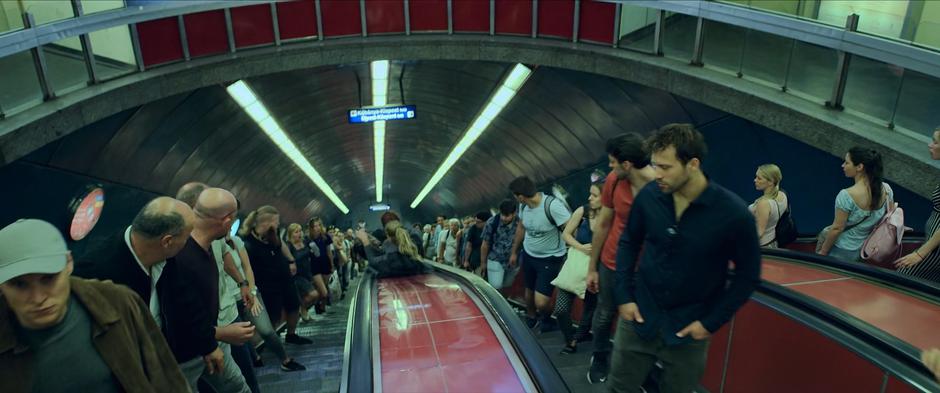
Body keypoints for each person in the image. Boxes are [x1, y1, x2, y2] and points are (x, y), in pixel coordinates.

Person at [610, 124, 761, 393]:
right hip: (640, 317)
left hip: (688, 329)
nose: (657, 174)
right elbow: (629, 242)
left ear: (692, 164)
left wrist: (710, 323)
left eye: (665, 167)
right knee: (619, 389)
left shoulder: (733, 214)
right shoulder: (649, 197)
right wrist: (624, 295)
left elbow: (747, 276)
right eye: (655, 165)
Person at [0, 219, 190, 393]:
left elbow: (165, 374)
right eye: (19, 284)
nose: (38, 297)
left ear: (69, 263)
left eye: (48, 278)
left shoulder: (117, 302)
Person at [161, 188, 252, 393]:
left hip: (207, 343)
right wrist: (215, 338)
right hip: (187, 356)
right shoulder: (180, 256)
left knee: (239, 388)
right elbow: (176, 318)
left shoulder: (205, 245)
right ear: (227, 221)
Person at [584, 133, 656, 383]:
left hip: (646, 267)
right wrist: (592, 268)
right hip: (612, 262)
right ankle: (600, 356)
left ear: (627, 164)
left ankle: (638, 367)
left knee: (641, 318)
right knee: (605, 314)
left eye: (613, 162)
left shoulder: (661, 186)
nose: (609, 167)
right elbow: (603, 224)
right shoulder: (614, 181)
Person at [74, 196, 195, 328]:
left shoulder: (168, 261)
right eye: (187, 237)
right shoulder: (93, 273)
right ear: (167, 241)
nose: (187, 243)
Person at [226, 228, 305, 372]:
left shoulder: (236, 242)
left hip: (248, 295)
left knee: (266, 331)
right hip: (228, 301)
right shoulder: (211, 246)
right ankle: (255, 357)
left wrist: (253, 293)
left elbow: (247, 268)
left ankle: (285, 360)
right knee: (241, 335)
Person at [509, 175, 572, 331]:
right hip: (529, 255)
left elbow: (571, 228)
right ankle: (532, 318)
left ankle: (547, 318)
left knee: (541, 302)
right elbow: (521, 228)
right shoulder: (523, 207)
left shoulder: (552, 206)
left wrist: (576, 251)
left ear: (521, 197)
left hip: (550, 258)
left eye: (515, 196)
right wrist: (514, 252)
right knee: (528, 292)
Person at [241, 206, 311, 345]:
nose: (278, 224)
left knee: (293, 305)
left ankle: (291, 335)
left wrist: (291, 260)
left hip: (284, 278)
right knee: (273, 315)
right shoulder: (248, 242)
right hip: (267, 283)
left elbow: (281, 245)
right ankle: (267, 343)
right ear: (267, 222)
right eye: (276, 221)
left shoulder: (273, 234)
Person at [817, 147, 894, 262]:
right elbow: (888, 217)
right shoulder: (887, 190)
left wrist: (823, 251)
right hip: (864, 250)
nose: (843, 165)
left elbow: (837, 228)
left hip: (842, 249)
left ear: (859, 167)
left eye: (847, 162)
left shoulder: (846, 195)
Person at [554, 181, 603, 355]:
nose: (590, 198)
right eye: (590, 193)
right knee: (561, 309)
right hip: (575, 265)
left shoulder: (611, 216)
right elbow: (566, 234)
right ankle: (570, 337)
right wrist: (581, 246)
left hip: (596, 269)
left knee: (590, 308)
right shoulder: (582, 211)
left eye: (595, 195)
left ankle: (575, 341)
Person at [895, 128, 940, 284]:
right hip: (932, 246)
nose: (930, 145)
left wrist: (920, 254)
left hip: (935, 250)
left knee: (902, 277)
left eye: (935, 142)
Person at [354, 221, 428, 278]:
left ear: (388, 237)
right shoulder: (412, 254)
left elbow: (373, 261)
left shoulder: (394, 259)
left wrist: (365, 240)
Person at [482, 200, 522, 291]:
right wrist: (483, 262)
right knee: (496, 286)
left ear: (514, 214)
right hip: (495, 258)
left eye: (507, 215)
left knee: (508, 286)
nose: (503, 218)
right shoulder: (492, 222)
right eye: (502, 214)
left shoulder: (520, 223)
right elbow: (485, 244)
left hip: (513, 261)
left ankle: (504, 303)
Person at [749, 164, 789, 248]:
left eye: (759, 178)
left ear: (771, 181)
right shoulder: (783, 194)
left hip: (761, 248)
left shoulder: (764, 203)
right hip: (772, 242)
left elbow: (759, 233)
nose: (755, 180)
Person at [286, 223, 318, 322]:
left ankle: (303, 311)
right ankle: (302, 309)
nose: (299, 234)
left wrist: (314, 248)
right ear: (291, 234)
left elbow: (316, 253)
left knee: (315, 296)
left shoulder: (306, 241)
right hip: (297, 276)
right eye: (296, 232)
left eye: (300, 231)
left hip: (307, 272)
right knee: (313, 294)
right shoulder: (289, 246)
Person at [307, 217, 334, 313]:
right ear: (311, 227)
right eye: (315, 226)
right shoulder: (308, 239)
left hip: (325, 263)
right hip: (315, 266)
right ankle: (317, 303)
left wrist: (332, 264)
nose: (317, 228)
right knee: (323, 290)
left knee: (325, 286)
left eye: (319, 225)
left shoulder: (325, 237)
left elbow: (329, 251)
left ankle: (322, 306)